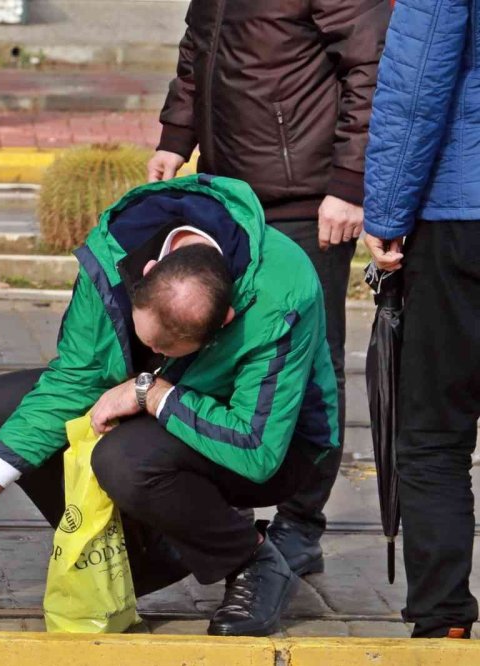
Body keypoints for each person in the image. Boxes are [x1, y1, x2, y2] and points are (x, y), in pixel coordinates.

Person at [0, 176, 340, 636]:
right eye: (148, 342)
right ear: (148, 270)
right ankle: (143, 553)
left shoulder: (280, 292)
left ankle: (252, 560)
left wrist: (150, 391)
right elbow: (77, 377)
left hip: (274, 447)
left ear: (225, 320)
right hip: (163, 416)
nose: (154, 354)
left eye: (168, 350)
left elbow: (256, 448)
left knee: (123, 458)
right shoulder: (115, 250)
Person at [146, 0, 389, 576]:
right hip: (231, 197)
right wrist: (176, 135)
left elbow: (373, 65)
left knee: (310, 365)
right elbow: (198, 46)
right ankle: (226, 508)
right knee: (220, 350)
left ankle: (300, 524)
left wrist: (350, 183)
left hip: (305, 199)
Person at [362, 0, 480, 640]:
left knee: (434, 434)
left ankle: (443, 622)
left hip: (462, 219)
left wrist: (386, 213)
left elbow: (416, 85)